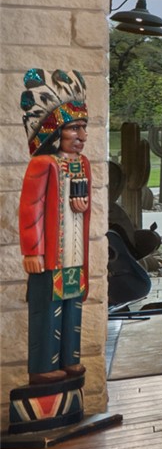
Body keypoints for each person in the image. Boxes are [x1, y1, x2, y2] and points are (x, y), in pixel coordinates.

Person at [19, 68, 92, 382]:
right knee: (48, 310)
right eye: (73, 128)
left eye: (83, 128)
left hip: (74, 254)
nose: (81, 136)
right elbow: (30, 208)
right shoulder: (42, 163)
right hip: (49, 256)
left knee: (72, 307)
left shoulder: (82, 163)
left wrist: (83, 204)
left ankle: (69, 358)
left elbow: (83, 205)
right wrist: (32, 251)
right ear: (55, 132)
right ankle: (44, 367)